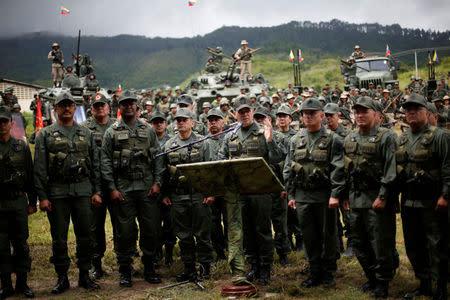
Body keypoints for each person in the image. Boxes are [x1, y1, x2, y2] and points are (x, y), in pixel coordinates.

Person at [34, 92, 101, 294]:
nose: (66, 108)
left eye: (70, 105)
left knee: (85, 235)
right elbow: (39, 169)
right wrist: (43, 197)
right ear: (55, 109)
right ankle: (62, 277)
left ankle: (84, 275)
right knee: (59, 237)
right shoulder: (45, 135)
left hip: (82, 191)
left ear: (75, 108)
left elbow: (95, 165)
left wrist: (97, 191)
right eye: (62, 105)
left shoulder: (86, 133)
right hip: (57, 192)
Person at [101, 91, 164, 287]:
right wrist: (111, 188)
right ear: (119, 107)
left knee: (150, 229)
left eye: (132, 103)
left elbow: (159, 157)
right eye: (124, 104)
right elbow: (105, 162)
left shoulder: (148, 129)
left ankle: (149, 267)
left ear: (137, 106)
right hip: (124, 188)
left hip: (146, 187)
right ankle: (125, 270)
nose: (129, 106)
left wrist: (157, 183)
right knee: (124, 231)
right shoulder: (111, 132)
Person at [218, 96, 282, 285]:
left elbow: (277, 158)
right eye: (241, 111)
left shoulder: (264, 132)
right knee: (245, 231)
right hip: (239, 193)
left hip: (260, 191)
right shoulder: (230, 135)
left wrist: (270, 140)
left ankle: (265, 267)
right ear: (234, 114)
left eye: (248, 111)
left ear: (252, 112)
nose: (245, 114)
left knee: (262, 230)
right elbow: (221, 158)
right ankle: (253, 264)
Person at [284, 98, 345, 288]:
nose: (308, 116)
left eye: (312, 113)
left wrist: (335, 194)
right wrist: (291, 195)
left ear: (321, 115)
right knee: (309, 235)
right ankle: (314, 270)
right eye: (304, 113)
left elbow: (338, 168)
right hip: (303, 196)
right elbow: (288, 169)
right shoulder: (295, 140)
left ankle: (328, 272)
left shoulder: (332, 139)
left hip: (324, 196)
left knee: (328, 235)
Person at [343, 96, 398, 298]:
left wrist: (383, 196)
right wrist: (343, 196)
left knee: (380, 242)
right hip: (355, 198)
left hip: (376, 199)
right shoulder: (350, 138)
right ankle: (371, 278)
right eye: (357, 111)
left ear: (376, 115)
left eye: (364, 111)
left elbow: (391, 170)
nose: (359, 115)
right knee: (358, 241)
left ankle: (383, 282)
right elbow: (344, 169)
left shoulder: (387, 137)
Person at [396, 94, 448, 300]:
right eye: (408, 110)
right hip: (409, 202)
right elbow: (395, 170)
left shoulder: (440, 136)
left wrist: (445, 195)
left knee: (438, 244)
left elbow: (447, 167)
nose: (411, 113)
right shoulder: (402, 139)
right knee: (414, 244)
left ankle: (442, 287)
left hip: (433, 202)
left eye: (416, 109)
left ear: (426, 113)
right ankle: (424, 283)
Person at [161, 108, 214, 282]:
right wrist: (165, 194)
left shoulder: (203, 142)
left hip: (199, 195)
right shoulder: (168, 145)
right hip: (178, 196)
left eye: (184, 120)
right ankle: (189, 268)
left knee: (202, 234)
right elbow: (164, 173)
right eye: (178, 120)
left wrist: (210, 192)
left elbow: (211, 168)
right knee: (183, 235)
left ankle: (205, 267)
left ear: (192, 122)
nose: (181, 123)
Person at [0, 106, 36, 299]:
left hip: (18, 202)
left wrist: (32, 201)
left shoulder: (21, 147)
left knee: (21, 243)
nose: (1, 125)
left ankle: (22, 283)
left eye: (4, 121)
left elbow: (30, 176)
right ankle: (6, 285)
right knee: (1, 245)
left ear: (12, 124)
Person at [80, 93, 117, 279]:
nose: (100, 108)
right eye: (96, 106)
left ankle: (124, 261)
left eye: (103, 105)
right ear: (91, 109)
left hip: (116, 184)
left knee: (121, 224)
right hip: (95, 185)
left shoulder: (117, 126)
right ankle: (97, 264)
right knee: (95, 226)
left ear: (109, 108)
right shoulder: (84, 129)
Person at [323, 103, 352, 256]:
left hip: (345, 182)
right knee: (333, 219)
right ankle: (337, 244)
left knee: (348, 216)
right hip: (329, 183)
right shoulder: (323, 135)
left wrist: (346, 190)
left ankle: (352, 244)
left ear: (338, 116)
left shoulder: (348, 134)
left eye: (331, 116)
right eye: (326, 116)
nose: (328, 119)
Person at [149, 112, 175, 266]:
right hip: (152, 189)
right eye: (155, 122)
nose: (158, 125)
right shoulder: (148, 141)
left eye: (161, 122)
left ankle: (170, 254)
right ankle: (157, 251)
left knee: (170, 224)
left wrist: (167, 192)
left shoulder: (172, 141)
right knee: (154, 225)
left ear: (166, 124)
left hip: (169, 190)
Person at [203, 108, 228, 261]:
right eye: (210, 120)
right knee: (213, 224)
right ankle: (219, 253)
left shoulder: (229, 138)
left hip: (227, 189)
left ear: (222, 122)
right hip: (211, 190)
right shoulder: (203, 142)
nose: (213, 122)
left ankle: (231, 250)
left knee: (230, 222)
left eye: (216, 120)